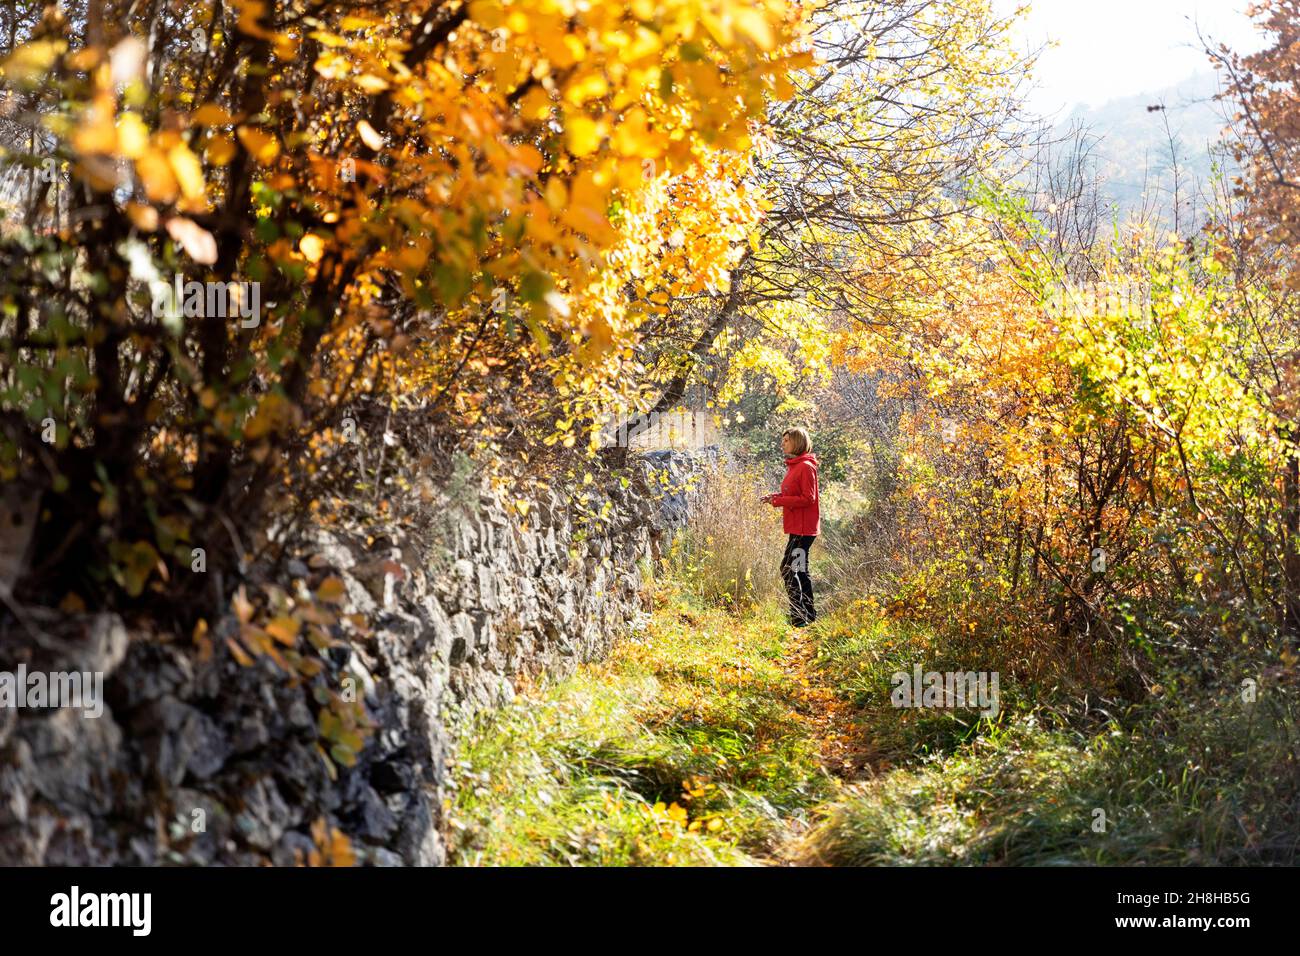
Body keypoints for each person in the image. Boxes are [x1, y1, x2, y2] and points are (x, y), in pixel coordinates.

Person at [761, 427, 819, 627]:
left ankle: (798, 617)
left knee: (788, 569)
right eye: (783, 440)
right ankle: (808, 616)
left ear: (797, 442)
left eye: (786, 440)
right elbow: (793, 494)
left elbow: (808, 499)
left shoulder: (805, 466)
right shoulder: (795, 466)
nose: (782, 444)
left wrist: (780, 501)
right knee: (799, 570)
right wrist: (775, 498)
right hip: (797, 527)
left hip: (803, 530)